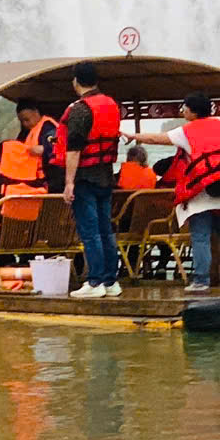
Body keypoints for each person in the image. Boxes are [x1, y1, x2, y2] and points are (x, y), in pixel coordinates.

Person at [130, 92, 220, 295]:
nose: (183, 110)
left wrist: (132, 136)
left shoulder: (185, 131)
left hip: (200, 196)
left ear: (192, 111)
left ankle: (201, 281)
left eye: (185, 107)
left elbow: (155, 138)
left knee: (200, 238)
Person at [59, 63, 125, 298]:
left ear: (75, 81)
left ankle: (95, 281)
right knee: (106, 230)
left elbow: (74, 149)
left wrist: (69, 183)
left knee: (90, 232)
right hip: (105, 176)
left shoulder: (80, 109)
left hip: (85, 178)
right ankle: (110, 281)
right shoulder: (111, 105)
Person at [14, 100, 64, 194]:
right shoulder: (28, 132)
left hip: (54, 178)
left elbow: (58, 145)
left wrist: (44, 149)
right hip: (39, 179)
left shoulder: (49, 127)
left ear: (36, 112)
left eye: (27, 119)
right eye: (22, 121)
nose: (25, 124)